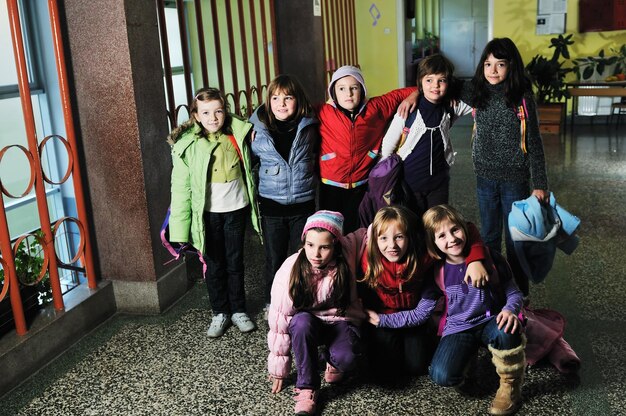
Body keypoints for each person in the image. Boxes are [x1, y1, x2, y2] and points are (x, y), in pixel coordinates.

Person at [366, 205, 525, 416]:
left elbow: (513, 291)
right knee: (441, 375)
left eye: (455, 230)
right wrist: (381, 321)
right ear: (433, 243)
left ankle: (510, 385)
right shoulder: (436, 272)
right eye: (442, 235)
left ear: (465, 229)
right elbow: (420, 313)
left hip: (492, 319)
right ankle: (467, 357)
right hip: (459, 328)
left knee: (507, 330)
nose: (451, 239)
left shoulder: (489, 257)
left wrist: (510, 309)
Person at [168, 87, 261, 338]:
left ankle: (238, 310)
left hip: (236, 209)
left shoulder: (239, 134)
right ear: (196, 115)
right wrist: (179, 229)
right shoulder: (188, 145)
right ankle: (219, 311)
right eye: (206, 112)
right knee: (213, 263)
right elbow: (181, 189)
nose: (213, 118)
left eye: (218, 111)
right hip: (207, 215)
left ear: (225, 112)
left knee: (235, 261)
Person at [357, 205, 489, 383]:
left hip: (415, 315)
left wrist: (475, 260)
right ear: (375, 239)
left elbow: (468, 227)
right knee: (384, 372)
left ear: (410, 237)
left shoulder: (423, 254)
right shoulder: (368, 259)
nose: (392, 246)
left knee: (417, 367)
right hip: (383, 317)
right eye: (384, 238)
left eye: (399, 237)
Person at [462, 37, 549, 297]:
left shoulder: (521, 98)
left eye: (500, 64)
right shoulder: (476, 92)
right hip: (484, 179)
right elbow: (439, 79)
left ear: (511, 67)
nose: (493, 70)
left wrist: (540, 183)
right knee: (488, 238)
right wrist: (410, 93)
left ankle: (520, 296)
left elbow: (534, 141)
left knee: (515, 243)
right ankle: (493, 293)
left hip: (515, 180)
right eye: (487, 64)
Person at [267, 210, 365, 416]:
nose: (316, 254)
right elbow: (279, 321)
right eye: (310, 245)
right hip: (309, 323)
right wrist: (279, 369)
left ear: (336, 245)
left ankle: (331, 360)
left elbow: (368, 233)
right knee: (300, 323)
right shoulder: (290, 269)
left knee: (348, 359)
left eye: (324, 247)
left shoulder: (346, 253)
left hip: (340, 319)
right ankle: (307, 388)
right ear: (304, 243)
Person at [318, 65, 417, 233]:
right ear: (333, 93)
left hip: (362, 184)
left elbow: (416, 89)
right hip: (330, 186)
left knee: (360, 230)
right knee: (331, 230)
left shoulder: (376, 107)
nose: (348, 94)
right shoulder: (323, 111)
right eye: (341, 89)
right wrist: (257, 123)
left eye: (354, 88)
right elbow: (287, 109)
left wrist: (412, 96)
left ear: (362, 90)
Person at [250, 74, 319, 313]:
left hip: (303, 204)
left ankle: (300, 301)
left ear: (297, 100)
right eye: (275, 97)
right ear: (268, 101)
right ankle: (273, 302)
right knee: (274, 258)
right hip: (272, 207)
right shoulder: (257, 129)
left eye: (287, 97)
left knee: (302, 257)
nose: (281, 103)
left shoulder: (310, 125)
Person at [380, 54, 471, 217]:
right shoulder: (408, 110)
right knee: (412, 230)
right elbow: (387, 146)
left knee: (436, 227)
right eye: (429, 80)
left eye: (441, 80)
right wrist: (386, 181)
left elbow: (477, 99)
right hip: (408, 185)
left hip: (439, 185)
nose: (435, 86)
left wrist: (454, 91)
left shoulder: (451, 107)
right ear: (420, 82)